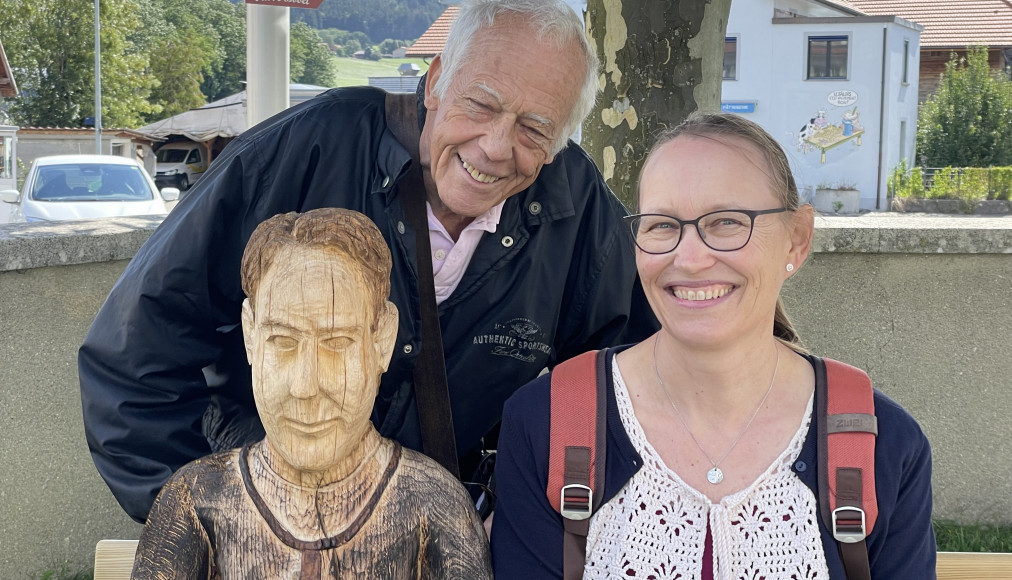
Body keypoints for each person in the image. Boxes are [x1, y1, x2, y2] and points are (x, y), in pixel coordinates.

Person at [78, 0, 657, 524]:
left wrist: (524, 507)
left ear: (557, 143)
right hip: (267, 504)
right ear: (435, 82)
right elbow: (138, 348)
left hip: (430, 526)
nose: (496, 147)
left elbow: (633, 387)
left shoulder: (578, 209)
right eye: (481, 104)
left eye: (535, 129)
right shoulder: (308, 150)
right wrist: (209, 520)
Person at [490, 112, 936, 578]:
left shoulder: (882, 445)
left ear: (797, 240)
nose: (691, 258)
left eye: (726, 221)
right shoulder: (548, 424)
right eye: (662, 225)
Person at [130, 209, 492, 579]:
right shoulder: (195, 500)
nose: (306, 387)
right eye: (283, 341)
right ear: (250, 335)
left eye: (337, 343)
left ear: (382, 340)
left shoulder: (435, 505)